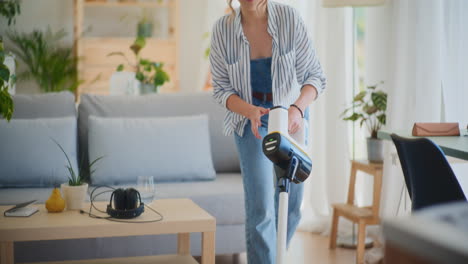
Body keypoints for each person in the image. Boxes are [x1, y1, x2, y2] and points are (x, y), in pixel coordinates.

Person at [210, 0, 326, 263]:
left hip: (290, 116)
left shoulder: (289, 18)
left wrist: (296, 109)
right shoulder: (223, 29)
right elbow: (221, 90)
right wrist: (250, 110)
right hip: (250, 119)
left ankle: (272, 258)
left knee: (292, 206)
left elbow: (315, 77)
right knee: (261, 208)